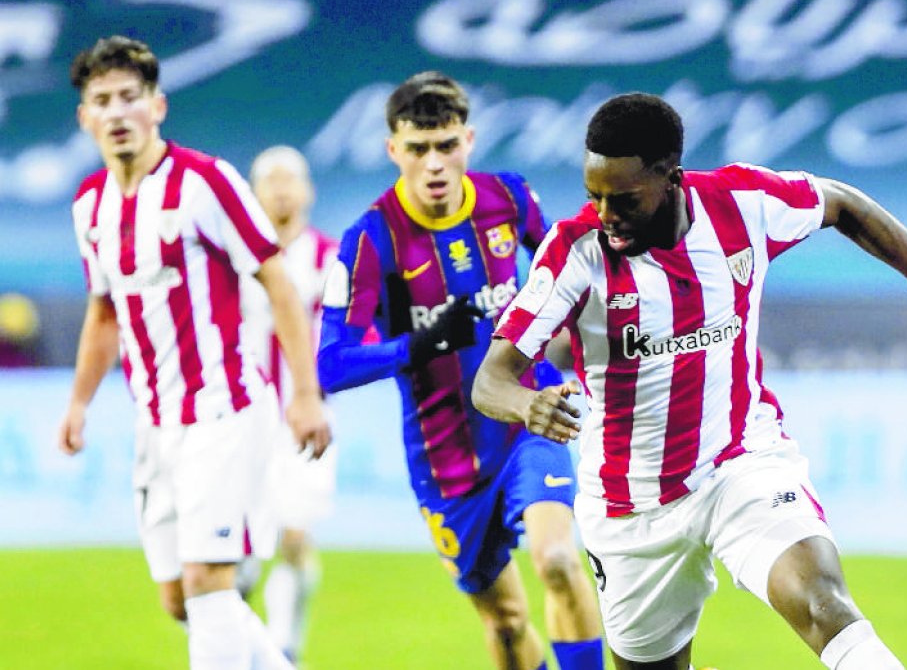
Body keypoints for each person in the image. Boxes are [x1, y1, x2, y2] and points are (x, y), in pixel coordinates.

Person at [472, 92, 907, 670]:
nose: (607, 216)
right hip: (629, 504)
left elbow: (844, 203)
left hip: (740, 462)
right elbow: (491, 380)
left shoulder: (743, 204)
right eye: (596, 197)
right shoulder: (574, 252)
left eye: (625, 199)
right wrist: (526, 404)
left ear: (671, 178)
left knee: (824, 604)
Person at [58, 35, 330, 669]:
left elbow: (277, 280)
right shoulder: (90, 206)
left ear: (158, 106)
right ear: (85, 117)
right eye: (103, 100)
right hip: (155, 422)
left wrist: (305, 394)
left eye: (131, 96)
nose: (118, 111)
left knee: (211, 582)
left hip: (225, 409)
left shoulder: (206, 183)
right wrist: (78, 403)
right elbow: (104, 312)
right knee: (181, 597)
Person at [316, 71, 604, 670]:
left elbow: (576, 283)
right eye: (418, 149)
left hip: (529, 415)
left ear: (468, 140)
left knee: (557, 560)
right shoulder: (369, 241)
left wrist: (580, 363)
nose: (435, 164)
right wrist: (418, 344)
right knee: (507, 622)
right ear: (393, 150)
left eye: (446, 145)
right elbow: (329, 364)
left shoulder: (510, 198)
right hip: (446, 458)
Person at [239, 145, 340, 661]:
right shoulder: (236, 257)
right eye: (269, 179)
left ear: (307, 190)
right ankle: (245, 641)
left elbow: (348, 333)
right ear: (254, 193)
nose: (280, 188)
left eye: (289, 179)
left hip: (306, 418)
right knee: (242, 552)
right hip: (241, 419)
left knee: (295, 536)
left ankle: (286, 646)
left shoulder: (330, 256)